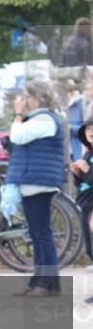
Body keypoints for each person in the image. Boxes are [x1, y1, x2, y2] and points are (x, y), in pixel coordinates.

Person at [8, 80, 66, 296]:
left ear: (37, 98)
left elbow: (18, 135)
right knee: (38, 233)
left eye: (26, 96)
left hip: (39, 183)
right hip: (33, 182)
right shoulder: (39, 119)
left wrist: (17, 113)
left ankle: (48, 284)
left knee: (42, 234)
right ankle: (38, 281)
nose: (23, 100)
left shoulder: (44, 119)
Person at [71, 116, 93, 272]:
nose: (91, 132)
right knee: (90, 248)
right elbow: (82, 183)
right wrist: (78, 174)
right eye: (89, 129)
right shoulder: (88, 154)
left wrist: (87, 170)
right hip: (86, 202)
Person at [67, 71, 93, 161]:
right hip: (78, 155)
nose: (87, 85)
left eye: (90, 81)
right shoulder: (77, 103)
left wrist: (71, 128)